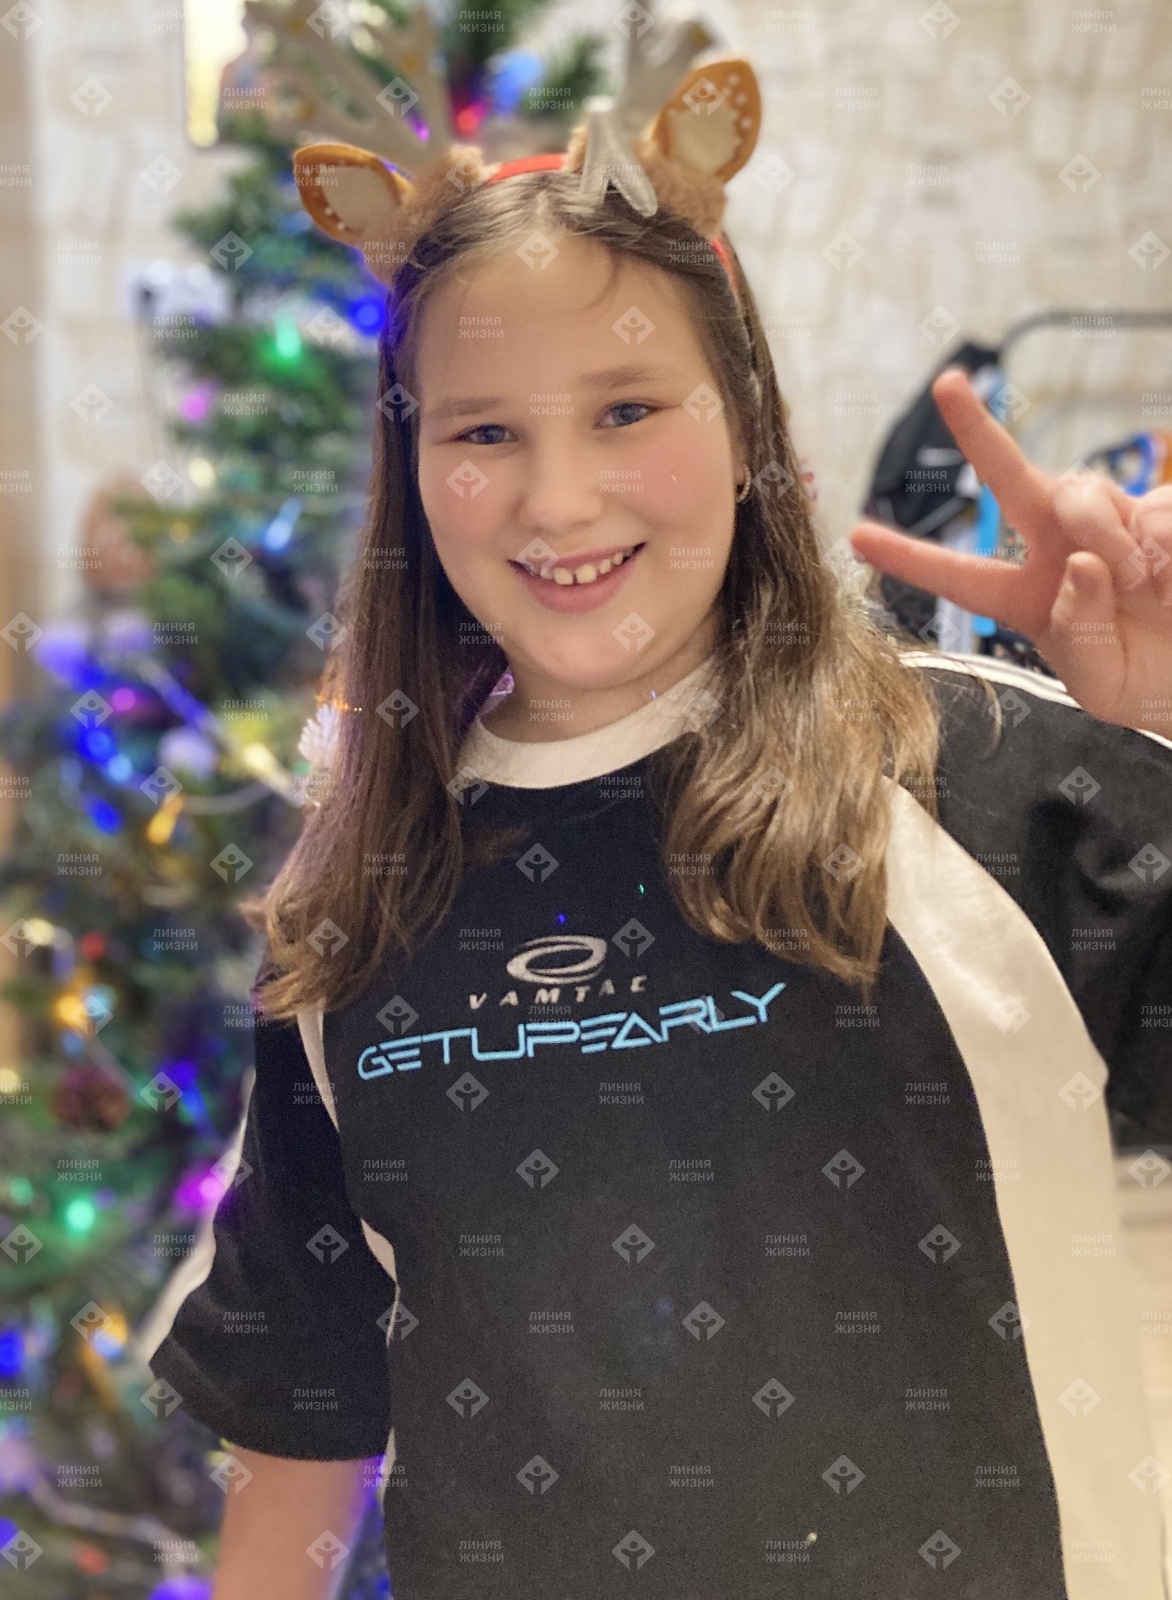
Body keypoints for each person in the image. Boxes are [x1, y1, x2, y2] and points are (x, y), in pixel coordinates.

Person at [139, 50, 1172, 1600]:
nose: (558, 501)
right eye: (482, 432)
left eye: (626, 408)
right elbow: (305, 1405)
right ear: (412, 468)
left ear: (743, 420)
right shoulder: (363, 903)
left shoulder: (977, 774)